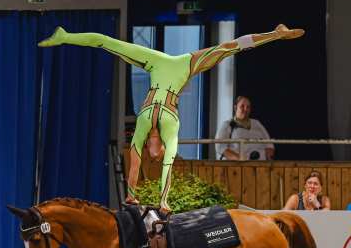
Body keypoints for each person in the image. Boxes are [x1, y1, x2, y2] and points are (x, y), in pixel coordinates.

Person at [38, 24, 304, 213]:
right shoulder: (170, 126)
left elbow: (136, 160)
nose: (154, 153)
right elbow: (165, 163)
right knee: (109, 43)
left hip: (161, 67)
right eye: (157, 152)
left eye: (153, 152)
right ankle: (66, 36)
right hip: (178, 66)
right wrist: (156, 200)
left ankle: (274, 34)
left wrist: (135, 196)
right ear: (161, 145)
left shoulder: (145, 125)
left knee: (227, 48)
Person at [215, 96, 275, 160]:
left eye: (248, 107)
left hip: (260, 165)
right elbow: (220, 147)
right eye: (242, 106)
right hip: (238, 166)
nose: (245, 109)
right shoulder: (227, 125)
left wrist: (269, 156)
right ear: (235, 108)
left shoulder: (257, 123)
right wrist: (239, 158)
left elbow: (269, 143)